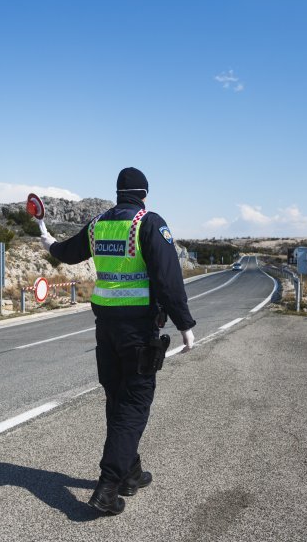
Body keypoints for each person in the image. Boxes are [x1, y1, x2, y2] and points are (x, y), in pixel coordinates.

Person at [40, 167, 196, 515]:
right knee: (135, 404)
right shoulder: (148, 223)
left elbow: (67, 252)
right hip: (138, 330)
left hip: (105, 328)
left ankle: (131, 474)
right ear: (144, 193)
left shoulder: (98, 225)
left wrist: (50, 243)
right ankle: (108, 487)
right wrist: (185, 324)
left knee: (117, 398)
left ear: (118, 192)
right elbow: (169, 279)